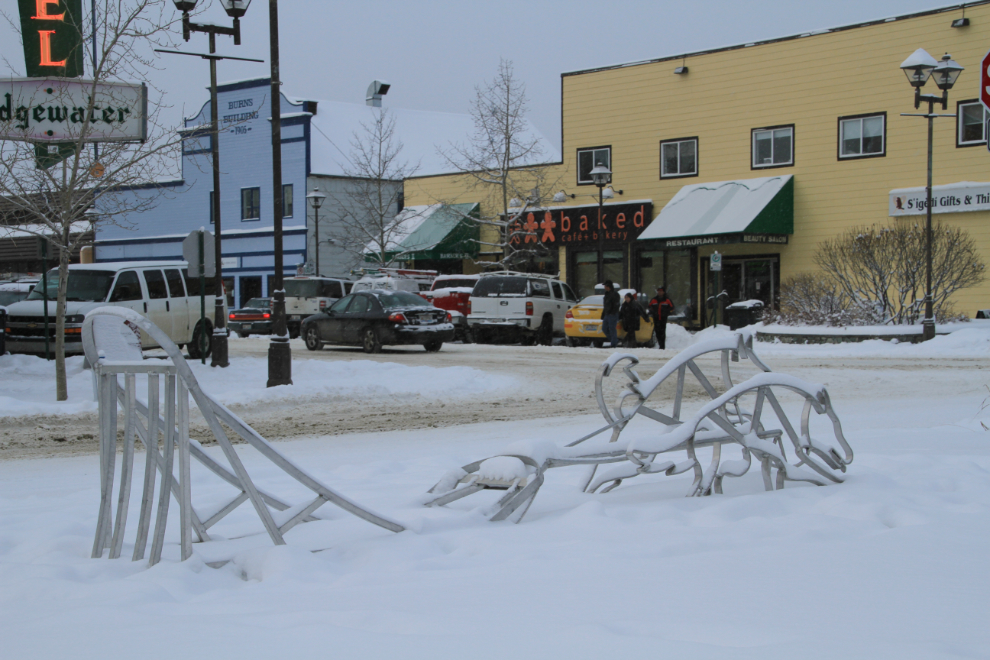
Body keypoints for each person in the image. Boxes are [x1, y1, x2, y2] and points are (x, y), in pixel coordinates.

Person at [648, 285, 675, 349]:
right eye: (658, 291)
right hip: (656, 318)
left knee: (662, 332)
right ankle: (660, 344)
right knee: (657, 332)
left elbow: (672, 308)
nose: (659, 292)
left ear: (664, 292)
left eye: (661, 291)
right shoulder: (654, 300)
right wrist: (653, 312)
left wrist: (666, 312)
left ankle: (662, 346)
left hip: (663, 319)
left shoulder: (667, 300)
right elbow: (649, 307)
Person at [601, 280, 620, 348]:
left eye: (605, 286)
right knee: (604, 328)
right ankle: (614, 340)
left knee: (612, 328)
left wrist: (612, 312)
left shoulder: (615, 294)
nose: (604, 287)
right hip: (607, 314)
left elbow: (616, 305)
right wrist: (604, 314)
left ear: (608, 286)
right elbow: (606, 305)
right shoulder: (607, 294)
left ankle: (613, 343)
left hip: (612, 314)